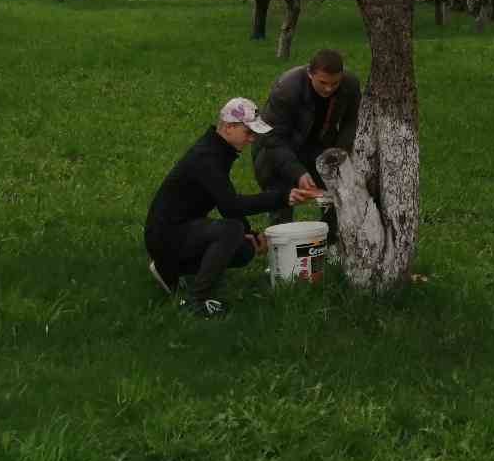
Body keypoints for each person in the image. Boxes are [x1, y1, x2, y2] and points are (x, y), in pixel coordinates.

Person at [144, 97, 320, 317]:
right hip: (164, 236)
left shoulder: (217, 151)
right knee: (231, 230)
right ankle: (196, 301)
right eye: (248, 133)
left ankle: (170, 269)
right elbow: (231, 206)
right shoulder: (206, 158)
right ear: (228, 127)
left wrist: (250, 234)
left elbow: (225, 202)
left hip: (175, 232)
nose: (252, 139)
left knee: (244, 249)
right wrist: (284, 197)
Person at [253, 48, 362, 227]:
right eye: (323, 82)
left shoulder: (350, 84)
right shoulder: (286, 88)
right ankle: (282, 236)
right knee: (281, 201)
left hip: (318, 144)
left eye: (334, 83)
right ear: (310, 74)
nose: (328, 88)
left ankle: (330, 236)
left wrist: (338, 154)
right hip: (276, 149)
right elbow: (272, 137)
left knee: (338, 194)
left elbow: (351, 122)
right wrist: (298, 172)